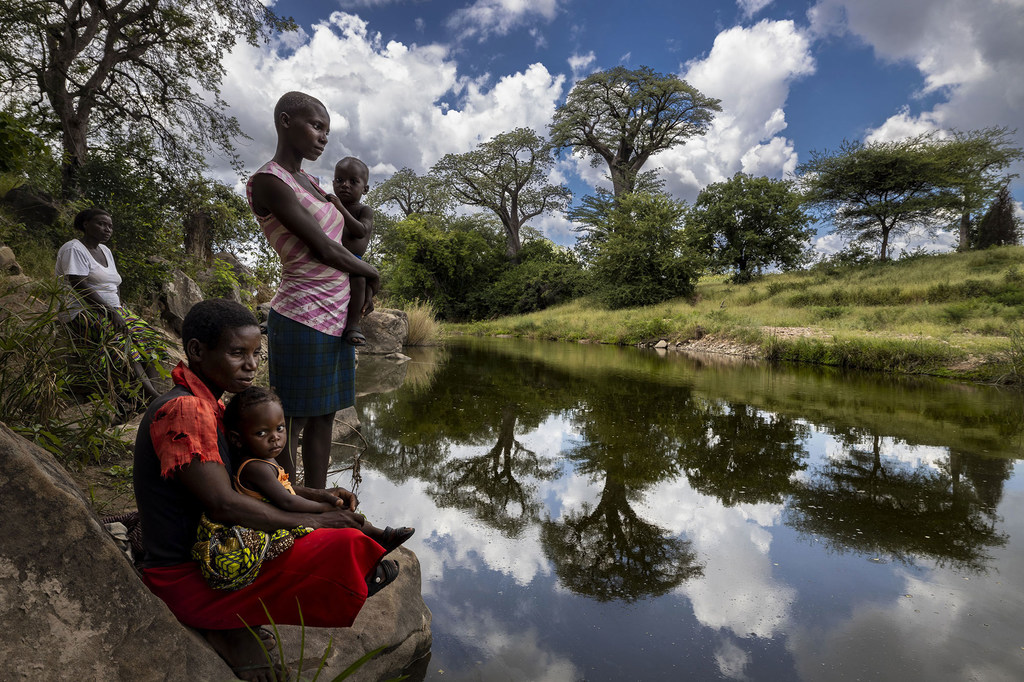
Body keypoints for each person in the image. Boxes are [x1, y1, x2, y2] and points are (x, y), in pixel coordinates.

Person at [133, 299, 398, 682]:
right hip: (191, 576)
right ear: (196, 351)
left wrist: (314, 496)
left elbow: (249, 480)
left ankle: (235, 621)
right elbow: (224, 504)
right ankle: (223, 622)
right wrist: (320, 522)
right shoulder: (186, 411)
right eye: (237, 353)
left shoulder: (211, 406)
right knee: (340, 545)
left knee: (336, 532)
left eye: (256, 353)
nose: (252, 364)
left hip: (210, 556)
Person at [246, 91, 381, 490]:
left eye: (327, 130)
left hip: (336, 318)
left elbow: (350, 240)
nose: (323, 137)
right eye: (316, 126)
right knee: (289, 420)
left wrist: (359, 287)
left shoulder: (314, 183)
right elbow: (322, 248)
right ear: (285, 122)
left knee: (324, 416)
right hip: (302, 314)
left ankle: (317, 503)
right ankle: (288, 499)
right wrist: (371, 272)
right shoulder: (270, 181)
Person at [224, 385, 414, 551]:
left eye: (280, 428)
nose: (275, 437)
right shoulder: (255, 467)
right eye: (261, 432)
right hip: (271, 527)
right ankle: (379, 540)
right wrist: (323, 508)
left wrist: (322, 495)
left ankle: (380, 536)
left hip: (281, 514)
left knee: (344, 515)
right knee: (337, 519)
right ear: (237, 439)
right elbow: (286, 501)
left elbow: (285, 489)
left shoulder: (264, 458)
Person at [55, 207, 166, 399]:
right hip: (82, 310)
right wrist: (111, 312)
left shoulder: (105, 250)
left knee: (148, 336)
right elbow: (78, 284)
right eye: (101, 224)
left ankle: (157, 391)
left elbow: (114, 283)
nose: (107, 229)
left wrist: (120, 309)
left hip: (113, 309)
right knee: (122, 341)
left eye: (110, 226)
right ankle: (151, 396)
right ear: (86, 224)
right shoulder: (74, 248)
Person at [327, 156, 375, 346]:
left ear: (365, 189)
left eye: (353, 182)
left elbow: (360, 230)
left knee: (360, 281)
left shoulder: (364, 210)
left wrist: (340, 208)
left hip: (354, 260)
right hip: (331, 256)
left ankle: (353, 326)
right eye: (339, 180)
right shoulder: (327, 206)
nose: (345, 185)